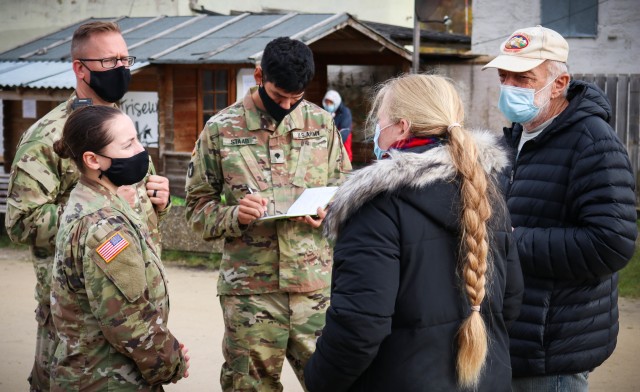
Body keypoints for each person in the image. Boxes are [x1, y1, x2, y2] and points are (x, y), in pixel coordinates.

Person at [304, 74, 523, 391]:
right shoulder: (484, 193)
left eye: (379, 118)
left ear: (402, 127)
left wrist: (318, 379)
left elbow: (360, 326)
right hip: (485, 379)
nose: (375, 127)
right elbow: (510, 301)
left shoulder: (376, 205)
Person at [4, 21, 171, 391]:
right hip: (77, 318)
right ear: (80, 69)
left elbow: (136, 200)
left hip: (134, 307)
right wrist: (95, 213)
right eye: (110, 61)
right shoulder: (48, 137)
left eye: (126, 59)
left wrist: (159, 199)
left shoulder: (121, 125)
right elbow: (21, 222)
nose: (122, 69)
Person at [185, 37, 351, 391]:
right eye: (279, 97)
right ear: (259, 75)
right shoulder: (220, 129)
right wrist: (234, 216)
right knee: (249, 386)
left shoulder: (322, 125)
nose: (288, 106)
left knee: (336, 382)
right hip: (250, 294)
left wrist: (331, 212)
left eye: (297, 98)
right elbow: (196, 210)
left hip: (314, 288)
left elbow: (347, 191)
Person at [483, 25, 637, 391]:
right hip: (516, 338)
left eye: (522, 77)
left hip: (552, 348)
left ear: (558, 82)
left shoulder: (592, 142)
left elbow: (611, 243)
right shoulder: (518, 136)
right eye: (504, 76)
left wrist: (510, 244)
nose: (508, 86)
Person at [50, 105, 188, 390]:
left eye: (137, 139)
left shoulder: (93, 201)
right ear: (93, 159)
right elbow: (128, 319)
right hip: (107, 378)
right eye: (128, 145)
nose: (141, 151)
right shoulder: (105, 225)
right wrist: (170, 360)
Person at [323, 90, 353, 161]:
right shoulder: (324, 112)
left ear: (336, 102)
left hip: (340, 141)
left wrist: (333, 143)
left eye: (331, 102)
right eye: (327, 102)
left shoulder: (345, 112)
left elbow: (345, 130)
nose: (328, 105)